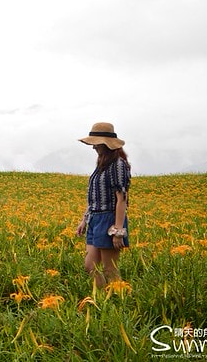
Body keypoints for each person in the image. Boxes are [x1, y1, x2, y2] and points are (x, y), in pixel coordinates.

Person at [75, 122, 130, 288]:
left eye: (95, 143)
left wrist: (118, 231)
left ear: (105, 143)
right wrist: (84, 220)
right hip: (95, 219)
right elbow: (94, 198)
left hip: (109, 220)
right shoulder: (102, 163)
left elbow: (122, 199)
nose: (93, 147)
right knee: (90, 265)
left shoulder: (118, 164)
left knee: (109, 269)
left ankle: (119, 302)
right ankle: (102, 298)